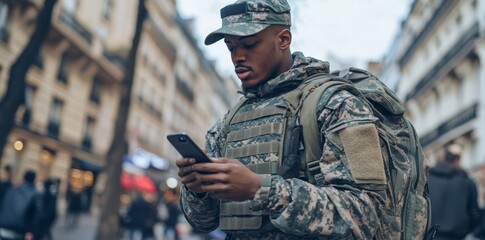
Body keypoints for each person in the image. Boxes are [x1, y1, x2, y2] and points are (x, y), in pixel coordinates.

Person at [175, 0, 410, 239]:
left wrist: (260, 189)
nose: (238, 56)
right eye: (230, 47)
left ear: (283, 39)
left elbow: (367, 214)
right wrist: (197, 190)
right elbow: (203, 222)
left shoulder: (336, 104)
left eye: (249, 44)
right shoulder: (228, 122)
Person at [428, 143, 481, 240]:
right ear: (458, 159)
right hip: (457, 237)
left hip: (431, 236)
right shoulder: (467, 182)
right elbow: (475, 215)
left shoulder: (427, 179)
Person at [0, 170, 43, 240]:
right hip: (18, 231)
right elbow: (38, 216)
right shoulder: (34, 195)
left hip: (2, 228)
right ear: (34, 180)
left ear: (23, 178)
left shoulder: (11, 190)